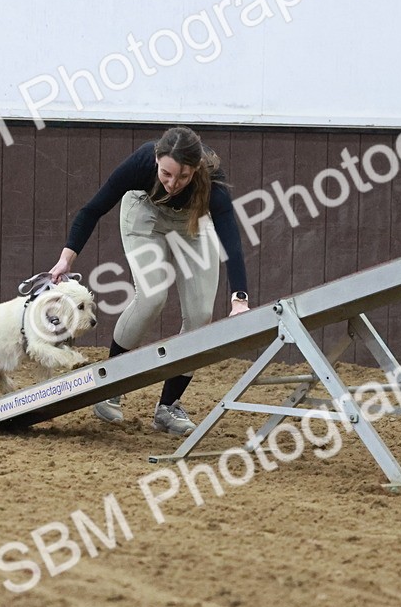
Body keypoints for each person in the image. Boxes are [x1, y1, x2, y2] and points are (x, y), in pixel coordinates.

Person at [47, 126, 251, 436]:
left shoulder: (213, 184)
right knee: (152, 296)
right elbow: (93, 209)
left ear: (196, 170)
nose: (173, 183)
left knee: (200, 315)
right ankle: (109, 386)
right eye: (167, 174)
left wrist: (240, 299)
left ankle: (168, 408)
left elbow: (231, 240)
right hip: (145, 215)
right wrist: (66, 258)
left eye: (182, 177)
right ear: (157, 159)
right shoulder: (143, 161)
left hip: (192, 223)